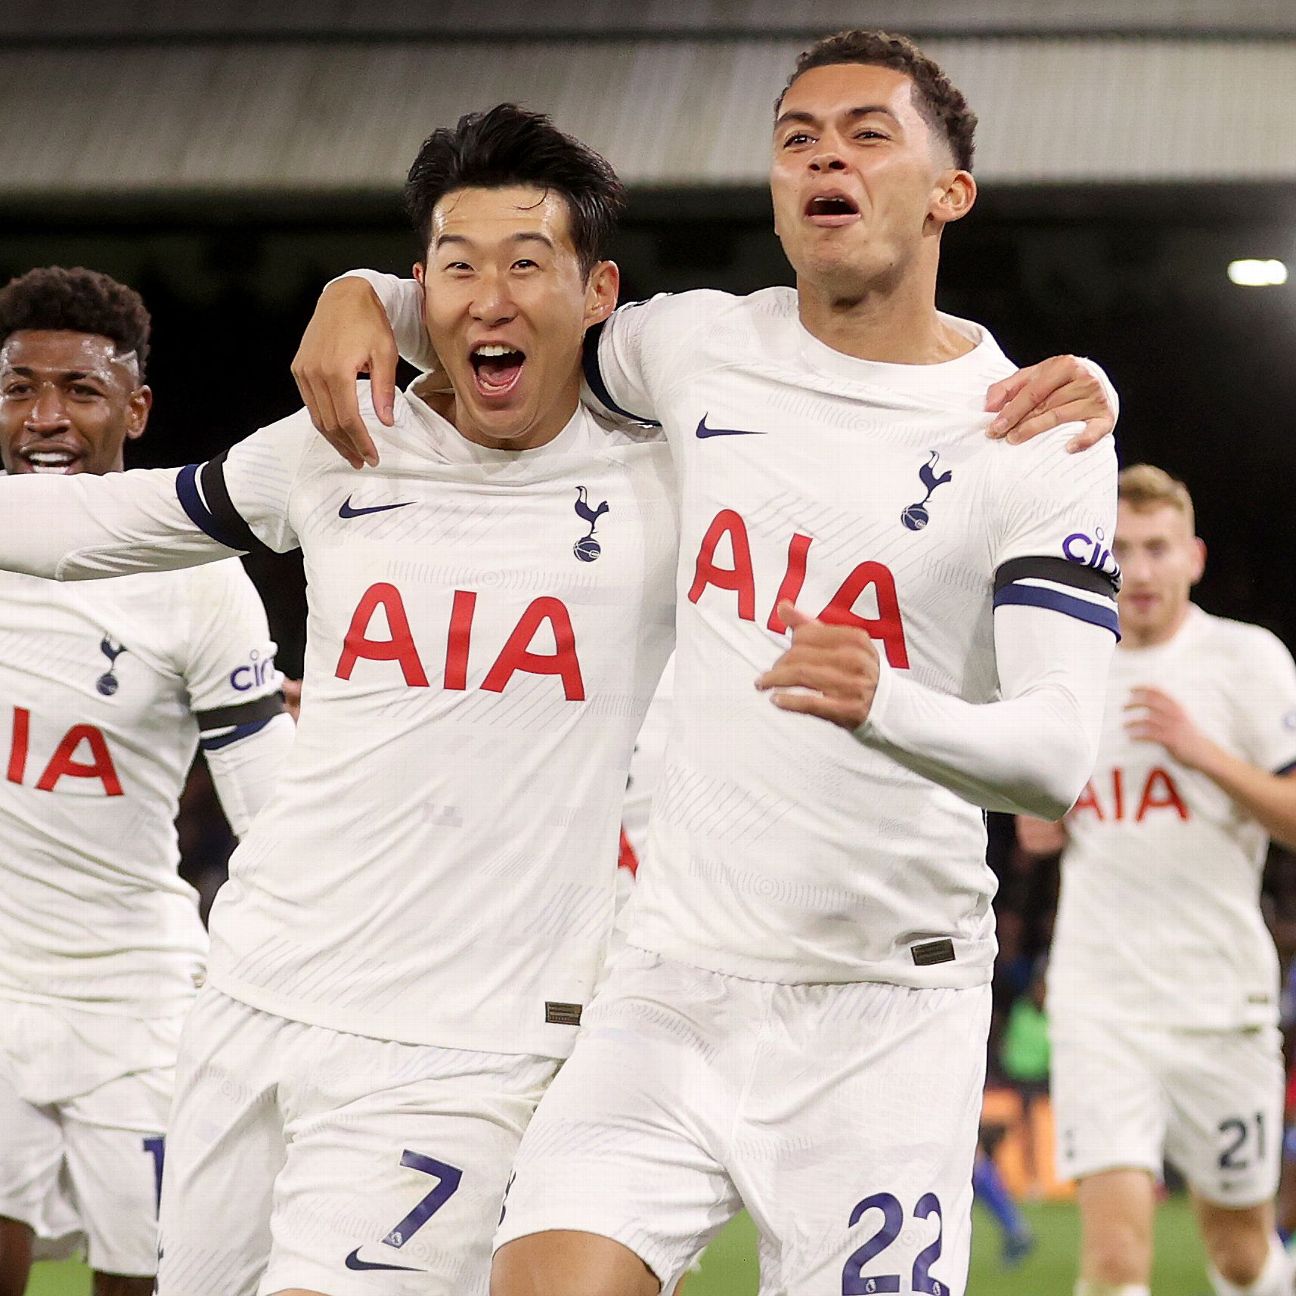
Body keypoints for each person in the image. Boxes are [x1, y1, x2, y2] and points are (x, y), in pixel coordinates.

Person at [294, 31, 1122, 1296]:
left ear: (950, 192)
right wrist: (363, 287)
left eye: (865, 134)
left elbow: (1058, 759)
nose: (822, 157)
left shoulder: (1034, 435)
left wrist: (886, 702)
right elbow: (512, 310)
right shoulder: (694, 346)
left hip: (883, 1012)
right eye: (797, 141)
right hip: (670, 982)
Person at [0, 109, 677, 1296]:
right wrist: (364, 285)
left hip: (472, 1044)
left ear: (599, 288)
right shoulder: (342, 444)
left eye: (529, 263)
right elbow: (94, 525)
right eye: (459, 267)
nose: (493, 297)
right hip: (254, 996)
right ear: (423, 286)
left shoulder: (672, 477)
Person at [0, 267, 292, 1296]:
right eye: (18, 388)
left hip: (133, 998)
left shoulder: (197, 578)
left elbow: (273, 815)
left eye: (79, 391)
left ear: (136, 408)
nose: (44, 418)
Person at [1018, 464, 1296, 1296]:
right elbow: (1045, 810)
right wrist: (1043, 820)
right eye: (1120, 550)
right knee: (1110, 1261)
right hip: (1101, 1005)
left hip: (1221, 1003)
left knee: (1242, 1254)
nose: (1138, 570)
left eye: (1157, 549)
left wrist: (1200, 750)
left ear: (1194, 558)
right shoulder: (1072, 670)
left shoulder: (1246, 661)